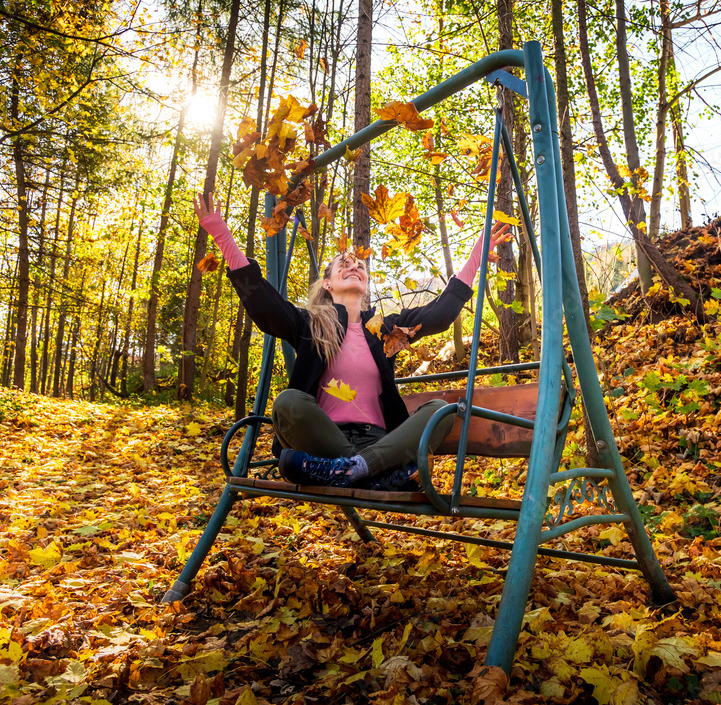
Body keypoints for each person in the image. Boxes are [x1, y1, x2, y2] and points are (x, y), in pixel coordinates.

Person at [194, 192, 510, 491]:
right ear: (328, 284)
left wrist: (475, 259)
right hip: (325, 442)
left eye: (359, 265)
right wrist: (220, 234)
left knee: (439, 410)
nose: (355, 266)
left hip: (379, 442)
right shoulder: (310, 325)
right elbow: (265, 307)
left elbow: (438, 314)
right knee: (287, 403)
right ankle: (371, 472)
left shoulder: (384, 328)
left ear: (367, 283)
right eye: (343, 265)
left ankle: (355, 469)